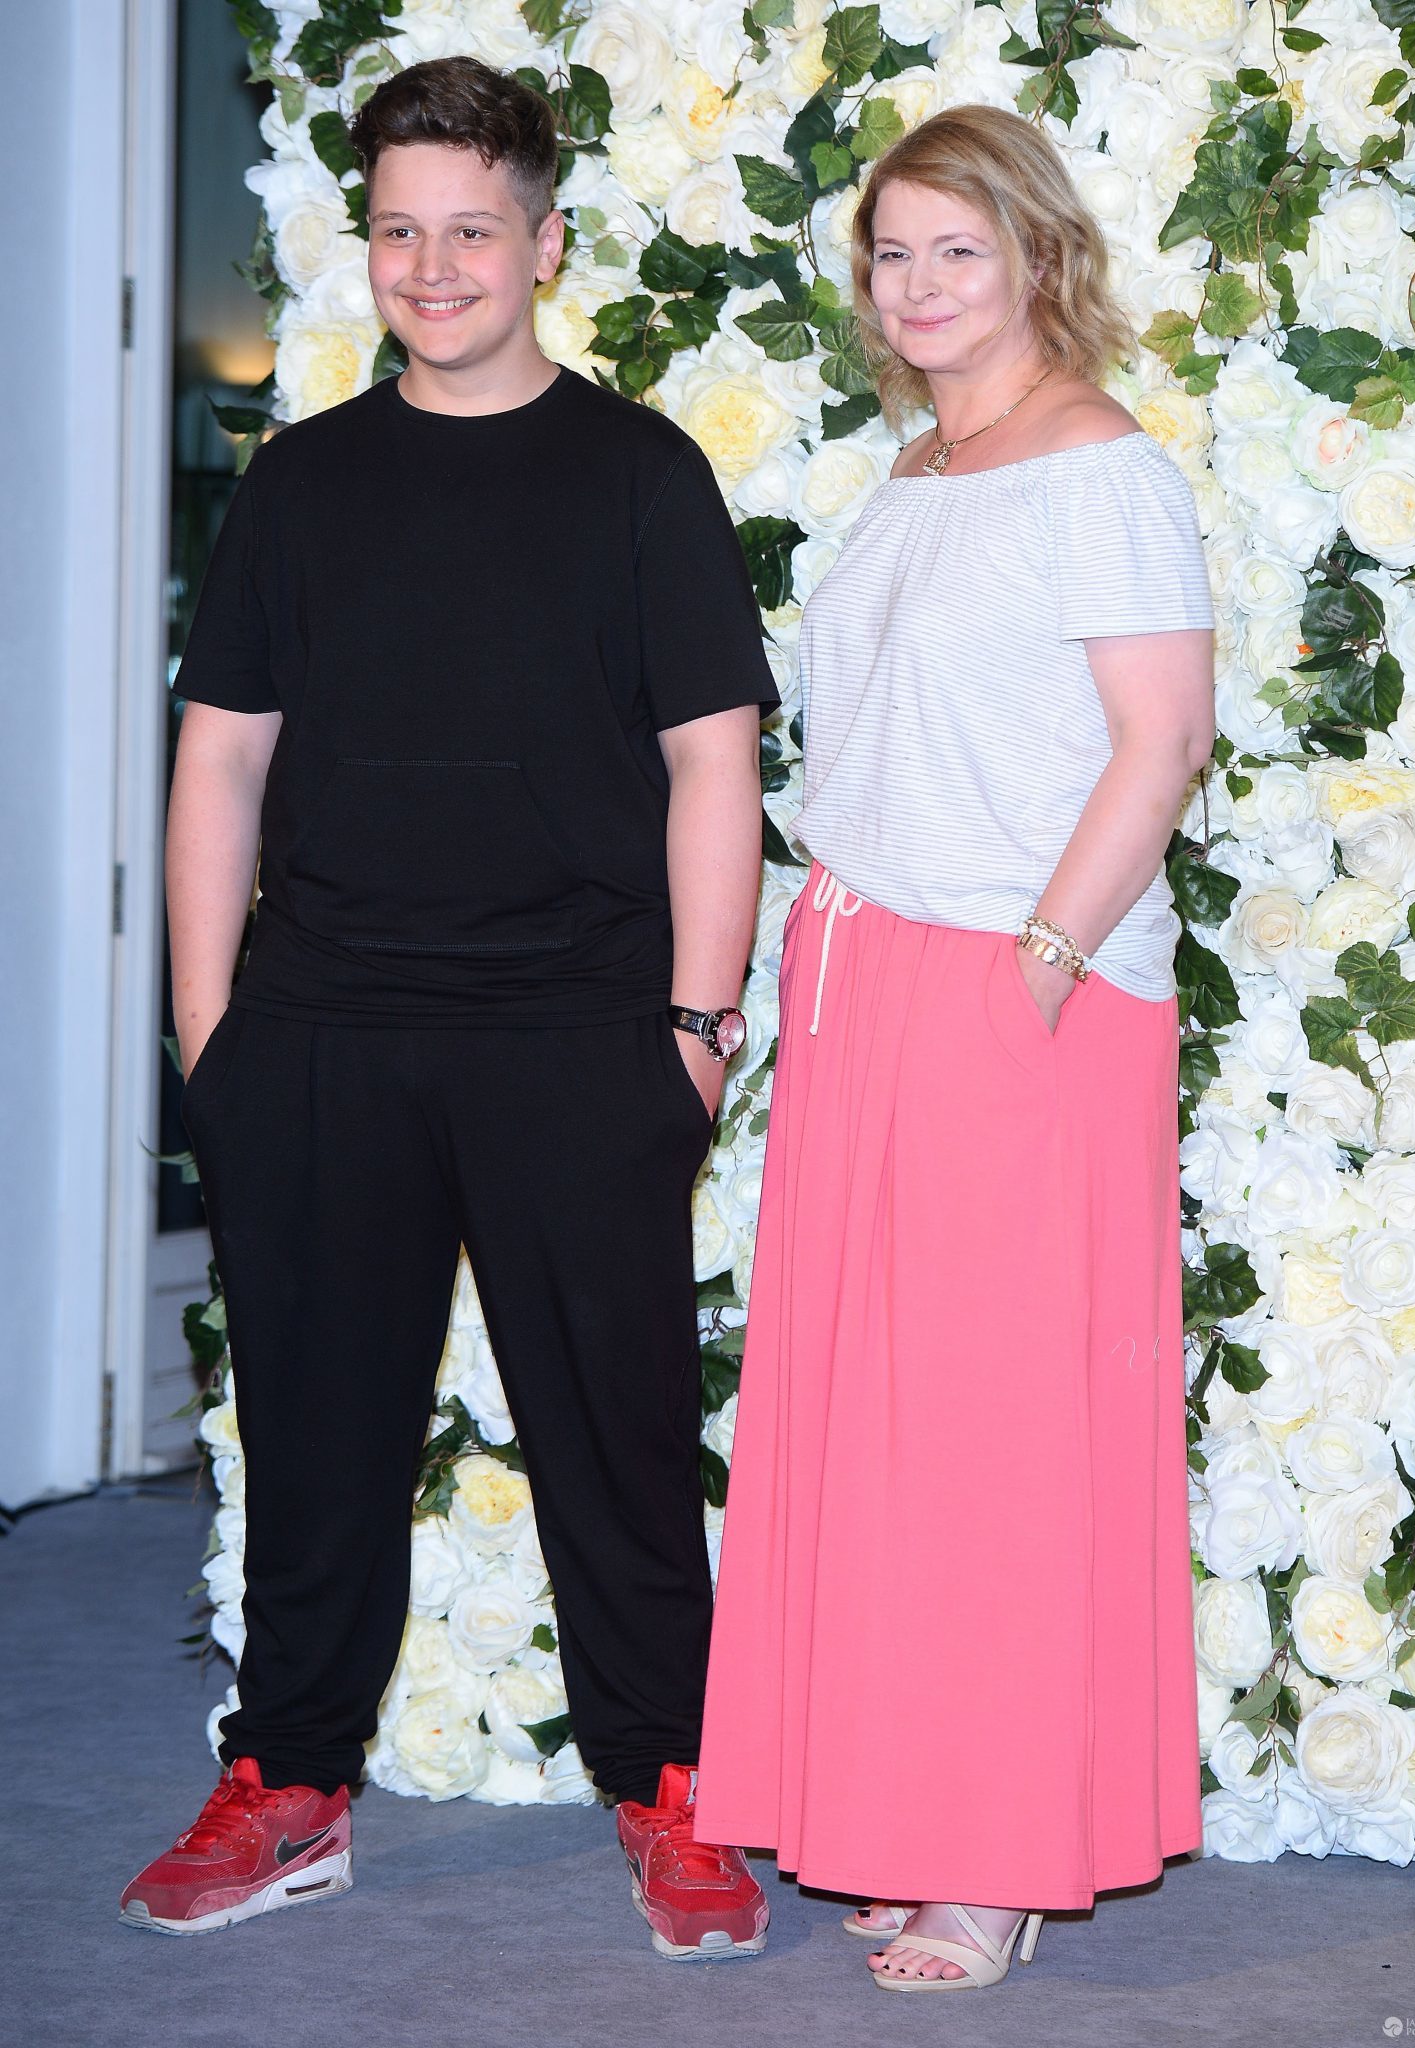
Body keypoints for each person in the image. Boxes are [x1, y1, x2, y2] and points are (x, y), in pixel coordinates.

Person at [121, 56, 773, 1961]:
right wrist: (211, 1035)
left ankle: (672, 1784)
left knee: (620, 1448)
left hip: (582, 1029)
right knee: (316, 1440)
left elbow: (713, 763)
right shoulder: (302, 484)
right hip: (322, 1031)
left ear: (546, 244)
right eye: (400, 230)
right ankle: (291, 1785)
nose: (433, 266)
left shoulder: (642, 472)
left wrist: (696, 1028)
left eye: (472, 230)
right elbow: (221, 759)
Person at [692, 103, 1216, 1992]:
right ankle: (902, 1813)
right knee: (877, 1432)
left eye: (957, 250)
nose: (918, 287)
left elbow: (1163, 738)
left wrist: (1040, 967)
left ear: (1038, 256)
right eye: (893, 254)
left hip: (1017, 982)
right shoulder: (916, 467)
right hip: (864, 975)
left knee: (997, 1437)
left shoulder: (1100, 468)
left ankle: (997, 1859)